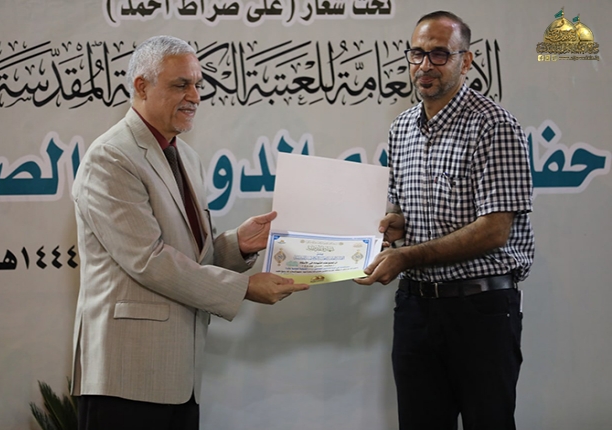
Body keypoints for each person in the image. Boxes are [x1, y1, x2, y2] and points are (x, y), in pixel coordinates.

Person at [70, 35, 309, 430]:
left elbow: (191, 256)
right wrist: (243, 288)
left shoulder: (186, 156)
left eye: (198, 84)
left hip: (178, 378)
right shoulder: (111, 157)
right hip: (125, 377)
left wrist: (237, 244)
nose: (195, 96)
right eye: (181, 84)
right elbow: (149, 261)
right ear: (141, 86)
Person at [355, 11, 535, 430]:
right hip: (415, 309)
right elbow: (402, 212)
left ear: (465, 61)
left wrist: (407, 256)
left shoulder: (493, 125)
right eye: (417, 54)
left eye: (439, 54)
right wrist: (393, 227)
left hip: (480, 311)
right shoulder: (402, 128)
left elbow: (495, 229)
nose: (425, 65)